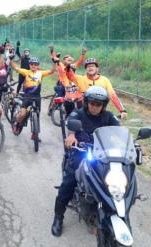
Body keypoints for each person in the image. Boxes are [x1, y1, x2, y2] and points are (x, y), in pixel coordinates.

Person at [51, 86, 120, 237]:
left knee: (116, 181)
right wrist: (71, 136)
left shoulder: (108, 116)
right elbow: (72, 122)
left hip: (103, 155)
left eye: (99, 104)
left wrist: (123, 142)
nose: (95, 107)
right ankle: (58, 217)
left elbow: (118, 131)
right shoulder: (79, 112)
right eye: (93, 103)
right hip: (81, 152)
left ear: (103, 105)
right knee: (68, 183)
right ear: (87, 102)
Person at [9, 55, 56, 138]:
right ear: (29, 65)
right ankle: (17, 124)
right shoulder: (26, 72)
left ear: (38, 66)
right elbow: (15, 68)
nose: (33, 66)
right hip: (27, 96)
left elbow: (52, 71)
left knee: (37, 115)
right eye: (32, 64)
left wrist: (54, 62)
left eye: (35, 64)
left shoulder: (41, 73)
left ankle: (35, 134)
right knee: (22, 114)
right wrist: (11, 59)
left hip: (37, 97)